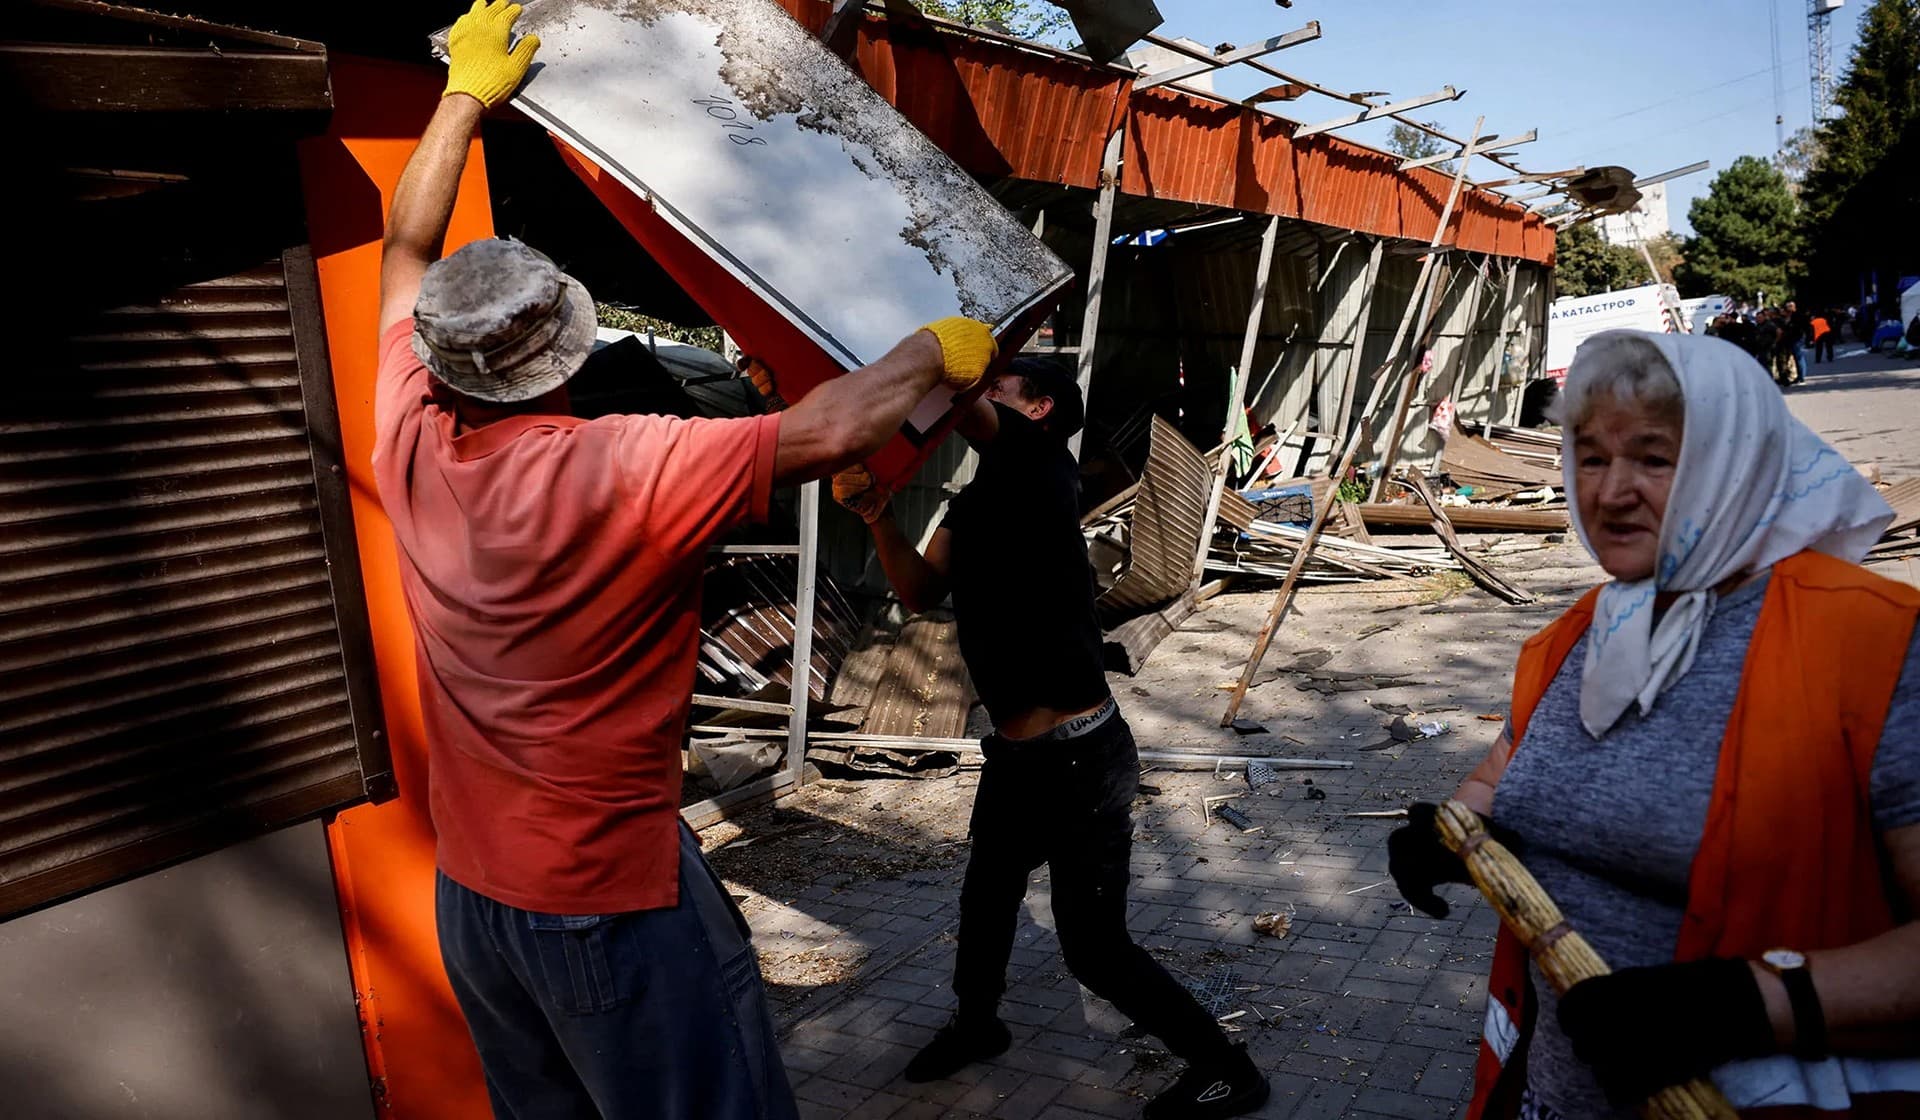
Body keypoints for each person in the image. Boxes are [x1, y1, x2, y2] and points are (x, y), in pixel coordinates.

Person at [373, 5, 1001, 1116]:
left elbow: (404, 250)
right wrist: (933, 345)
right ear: (573, 347)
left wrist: (460, 97)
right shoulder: (622, 464)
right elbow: (831, 432)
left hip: (475, 896)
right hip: (607, 896)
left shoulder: (409, 430)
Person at [1387, 330, 1920, 1119]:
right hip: (1551, 1096)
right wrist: (1453, 836)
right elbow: (1502, 777)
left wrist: (1749, 1003)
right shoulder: (1577, 636)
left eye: (1653, 458)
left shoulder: (1877, 644)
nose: (1611, 492)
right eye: (1592, 458)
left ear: (1734, 461)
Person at [833, 359, 1271, 1119]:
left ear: (1038, 410)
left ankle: (1227, 1069)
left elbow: (961, 400)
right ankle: (977, 1026)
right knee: (987, 900)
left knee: (1094, 950)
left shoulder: (1043, 465)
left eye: (1002, 384)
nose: (985, 390)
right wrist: (877, 514)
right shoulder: (976, 501)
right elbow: (920, 591)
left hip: (1081, 759)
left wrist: (923, 362)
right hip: (1017, 758)